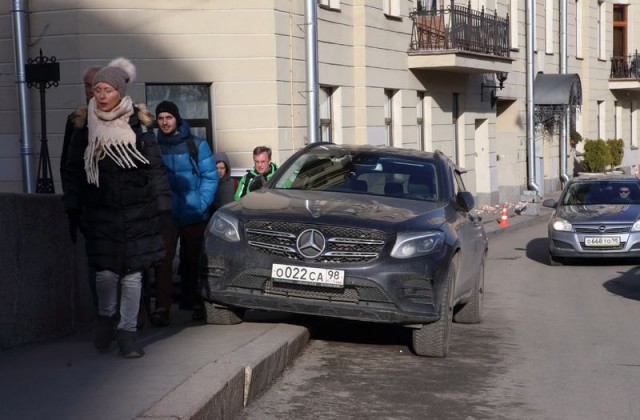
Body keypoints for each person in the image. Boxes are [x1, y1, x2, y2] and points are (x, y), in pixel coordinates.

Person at [61, 57, 171, 358]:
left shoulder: (140, 123)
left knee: (133, 275)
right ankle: (106, 318)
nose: (101, 95)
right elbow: (73, 169)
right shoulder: (84, 124)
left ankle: (127, 334)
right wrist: (72, 204)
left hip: (137, 212)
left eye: (107, 90)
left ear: (120, 92)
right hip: (99, 212)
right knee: (106, 274)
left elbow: (155, 168)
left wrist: (162, 203)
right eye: (97, 90)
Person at [151, 100, 218, 326]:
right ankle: (162, 308)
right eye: (160, 118)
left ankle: (198, 302)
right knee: (163, 260)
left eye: (168, 117)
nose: (164, 122)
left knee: (195, 261)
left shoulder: (196, 145)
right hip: (165, 214)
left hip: (193, 212)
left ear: (176, 118)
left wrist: (201, 203)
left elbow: (210, 177)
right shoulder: (153, 146)